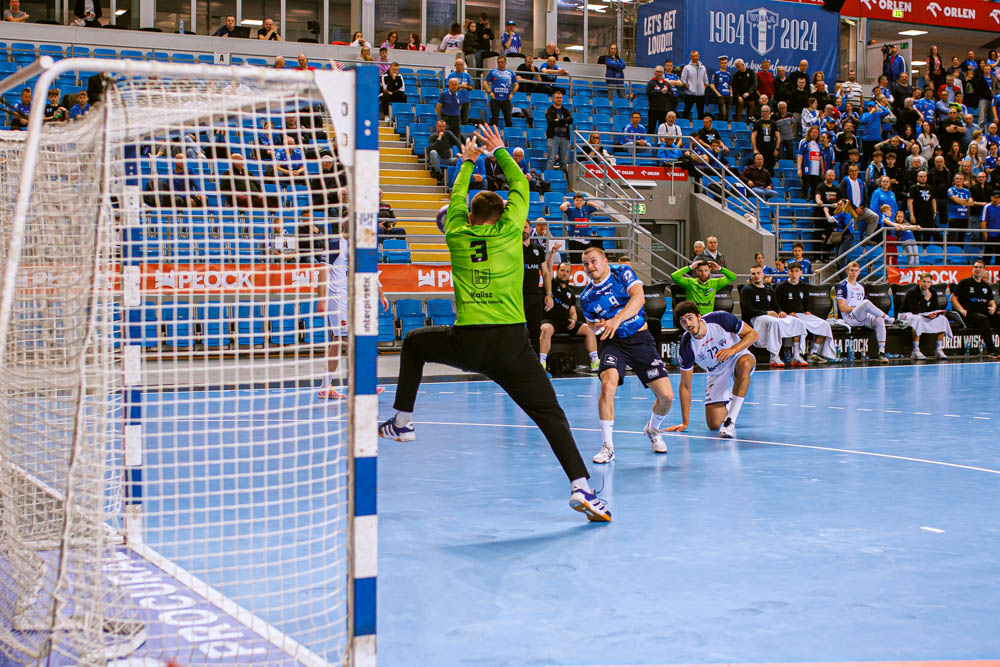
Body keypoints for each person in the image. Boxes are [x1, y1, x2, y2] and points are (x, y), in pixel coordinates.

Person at [378, 125, 611, 523]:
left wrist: (467, 163)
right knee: (550, 415)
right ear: (503, 216)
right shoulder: (511, 233)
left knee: (414, 343)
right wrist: (499, 150)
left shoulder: (456, 232)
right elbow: (520, 184)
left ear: (471, 216)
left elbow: (455, 199)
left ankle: (402, 421)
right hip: (511, 344)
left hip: (468, 343)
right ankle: (582, 487)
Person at [579, 247, 674, 463]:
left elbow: (639, 298)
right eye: (585, 264)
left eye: (593, 261)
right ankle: (607, 447)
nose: (590, 267)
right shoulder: (586, 297)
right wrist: (597, 326)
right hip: (613, 342)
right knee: (607, 386)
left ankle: (652, 429)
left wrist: (617, 319)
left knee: (666, 397)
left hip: (640, 339)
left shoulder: (621, 272)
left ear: (605, 260)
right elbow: (591, 325)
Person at [666, 301, 759, 439]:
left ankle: (730, 420)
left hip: (737, 357)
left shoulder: (720, 319)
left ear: (699, 316)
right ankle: (729, 400)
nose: (688, 324)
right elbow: (685, 385)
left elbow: (753, 334)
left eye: (690, 318)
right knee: (714, 424)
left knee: (744, 364)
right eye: (683, 321)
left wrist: (732, 350)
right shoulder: (687, 346)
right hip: (716, 374)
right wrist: (685, 422)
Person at [315, 233, 389, 400]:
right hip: (337, 298)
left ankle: (327, 386)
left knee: (345, 340)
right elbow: (322, 272)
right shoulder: (335, 243)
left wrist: (381, 294)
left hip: (350, 298)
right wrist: (321, 299)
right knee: (344, 339)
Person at [740, 265, 808, 367]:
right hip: (756, 318)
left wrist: (780, 312)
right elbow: (747, 310)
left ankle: (796, 355)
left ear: (763, 274)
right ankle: (774, 356)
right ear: (750, 276)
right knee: (774, 322)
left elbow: (776, 305)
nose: (756, 276)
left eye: (758, 273)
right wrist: (766, 313)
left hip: (771, 315)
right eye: (753, 274)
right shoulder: (746, 290)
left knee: (797, 322)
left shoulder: (769, 288)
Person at [539, 261, 600, 372]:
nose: (564, 273)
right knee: (546, 329)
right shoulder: (550, 285)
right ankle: (542, 363)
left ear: (570, 275)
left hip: (565, 322)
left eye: (567, 271)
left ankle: (595, 361)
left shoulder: (570, 292)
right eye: (562, 270)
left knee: (589, 329)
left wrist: (573, 320)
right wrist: (552, 254)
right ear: (557, 272)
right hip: (550, 321)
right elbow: (547, 269)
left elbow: (572, 312)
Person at [775, 262, 836, 363]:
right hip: (787, 316)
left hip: (802, 315)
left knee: (825, 325)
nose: (794, 274)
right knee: (798, 324)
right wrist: (784, 312)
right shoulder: (781, 287)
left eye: (796, 271)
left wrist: (808, 310)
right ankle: (795, 354)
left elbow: (807, 301)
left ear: (801, 272)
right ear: (788, 272)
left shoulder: (804, 286)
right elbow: (776, 304)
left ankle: (813, 353)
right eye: (792, 271)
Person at [836, 261, 890, 363]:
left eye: (856, 271)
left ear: (859, 272)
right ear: (847, 271)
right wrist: (858, 308)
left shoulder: (861, 286)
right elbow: (842, 308)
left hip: (862, 316)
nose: (854, 273)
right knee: (865, 303)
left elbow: (865, 307)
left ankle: (881, 352)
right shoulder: (843, 286)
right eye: (852, 270)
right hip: (850, 318)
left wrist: (862, 309)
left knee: (879, 320)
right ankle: (889, 318)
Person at [950, 259, 1000, 358]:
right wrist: (961, 309)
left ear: (984, 270)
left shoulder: (986, 286)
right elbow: (952, 299)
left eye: (980, 267)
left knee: (998, 318)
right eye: (976, 267)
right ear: (972, 269)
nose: (977, 269)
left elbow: (991, 301)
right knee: (982, 319)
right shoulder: (965, 283)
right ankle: (992, 350)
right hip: (968, 313)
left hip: (982, 312)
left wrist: (993, 307)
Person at [900, 273, 951, 360]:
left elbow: (935, 307)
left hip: (923, 314)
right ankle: (915, 350)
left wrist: (934, 314)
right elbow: (915, 310)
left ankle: (938, 349)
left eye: (928, 282)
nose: (926, 284)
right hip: (906, 314)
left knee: (942, 319)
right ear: (919, 281)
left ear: (931, 283)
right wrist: (926, 299)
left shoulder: (933, 291)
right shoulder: (912, 292)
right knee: (917, 319)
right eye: (924, 281)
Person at [521, 220, 553, 355]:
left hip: (534, 296)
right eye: (521, 227)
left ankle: (536, 362)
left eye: (525, 227)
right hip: (517, 296)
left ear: (530, 229)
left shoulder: (538, 249)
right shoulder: (513, 248)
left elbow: (545, 273)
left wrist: (549, 294)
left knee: (535, 332)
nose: (523, 230)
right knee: (516, 331)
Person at [670, 260, 736, 314]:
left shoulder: (715, 283)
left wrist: (719, 268)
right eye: (701, 271)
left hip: (708, 318)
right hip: (693, 318)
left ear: (709, 271)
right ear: (697, 271)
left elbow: (733, 277)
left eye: (705, 270)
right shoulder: (690, 283)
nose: (703, 274)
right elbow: (674, 276)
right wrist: (690, 267)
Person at [559, 193, 602, 262]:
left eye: (581, 200)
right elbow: (562, 207)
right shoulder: (571, 210)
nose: (579, 202)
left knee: (588, 260)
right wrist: (567, 203)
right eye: (577, 200)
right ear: (573, 201)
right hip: (575, 239)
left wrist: (586, 203)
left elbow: (598, 207)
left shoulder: (586, 209)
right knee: (575, 261)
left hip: (586, 240)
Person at [485, 56, 517, 130]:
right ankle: (494, 134)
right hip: (495, 99)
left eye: (502, 62)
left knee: (508, 119)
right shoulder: (493, 72)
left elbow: (516, 85)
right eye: (498, 62)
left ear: (505, 63)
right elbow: (485, 83)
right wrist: (490, 92)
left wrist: (512, 94)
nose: (500, 64)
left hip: (506, 99)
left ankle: (509, 133)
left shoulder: (510, 73)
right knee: (494, 119)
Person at [544, 90, 572, 172]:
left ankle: (563, 177)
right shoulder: (549, 110)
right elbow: (551, 122)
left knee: (564, 161)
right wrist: (564, 122)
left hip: (565, 138)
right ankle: (549, 177)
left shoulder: (565, 110)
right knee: (551, 159)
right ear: (553, 99)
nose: (559, 99)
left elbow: (570, 120)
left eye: (560, 98)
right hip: (553, 137)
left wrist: (557, 121)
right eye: (557, 98)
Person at [797, 125, 825, 199]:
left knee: (815, 190)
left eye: (816, 133)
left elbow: (821, 158)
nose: (815, 134)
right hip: (806, 170)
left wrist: (822, 170)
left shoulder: (819, 144)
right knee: (805, 188)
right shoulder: (804, 142)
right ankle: (803, 204)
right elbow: (800, 156)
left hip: (817, 172)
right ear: (809, 133)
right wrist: (799, 169)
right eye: (813, 132)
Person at [681, 50, 708, 121]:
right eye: (693, 56)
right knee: (686, 111)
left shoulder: (703, 67)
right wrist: (690, 89)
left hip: (700, 95)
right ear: (690, 57)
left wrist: (703, 89)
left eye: (696, 56)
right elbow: (683, 80)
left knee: (701, 113)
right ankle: (684, 124)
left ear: (698, 56)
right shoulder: (686, 67)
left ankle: (700, 126)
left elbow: (706, 80)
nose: (694, 57)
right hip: (690, 94)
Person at [946, 172, 973, 245]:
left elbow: (971, 203)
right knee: (951, 237)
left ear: (963, 180)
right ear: (954, 180)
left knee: (962, 237)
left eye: (961, 179)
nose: (959, 180)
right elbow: (956, 200)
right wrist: (966, 201)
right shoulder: (951, 189)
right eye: (957, 179)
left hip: (964, 217)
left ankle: (961, 250)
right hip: (954, 217)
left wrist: (961, 201)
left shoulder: (967, 191)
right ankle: (947, 250)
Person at [752, 105, 780, 173]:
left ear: (769, 112)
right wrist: (755, 149)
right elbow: (753, 136)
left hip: (770, 149)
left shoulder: (773, 123)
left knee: (770, 168)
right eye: (763, 111)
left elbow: (778, 137)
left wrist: (777, 149)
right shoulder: (757, 123)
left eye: (766, 111)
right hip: (760, 149)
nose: (764, 113)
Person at [646, 66, 672, 133]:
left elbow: (671, 94)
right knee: (651, 128)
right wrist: (660, 92)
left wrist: (666, 92)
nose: (659, 73)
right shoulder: (651, 83)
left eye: (660, 72)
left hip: (664, 110)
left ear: (663, 73)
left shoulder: (666, 83)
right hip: (653, 109)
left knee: (663, 129)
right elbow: (649, 93)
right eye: (657, 72)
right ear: (654, 72)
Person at [709, 56, 732, 122]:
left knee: (727, 115)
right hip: (721, 96)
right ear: (719, 63)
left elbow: (730, 84)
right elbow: (711, 85)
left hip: (728, 96)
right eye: (722, 63)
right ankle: (722, 126)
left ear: (727, 63)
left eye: (725, 63)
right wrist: (718, 94)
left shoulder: (729, 74)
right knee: (723, 114)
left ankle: (725, 126)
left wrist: (731, 93)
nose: (723, 64)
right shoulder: (716, 73)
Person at [981, 189, 1000, 265]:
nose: (997, 199)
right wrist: (986, 237)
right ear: (991, 197)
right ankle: (985, 271)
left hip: (999, 235)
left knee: (999, 257)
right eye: (995, 197)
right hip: (990, 235)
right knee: (987, 257)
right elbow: (983, 223)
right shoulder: (987, 207)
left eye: (998, 197)